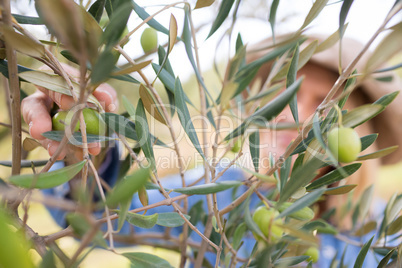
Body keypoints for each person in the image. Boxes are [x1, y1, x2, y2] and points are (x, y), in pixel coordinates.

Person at [21, 35, 402, 267]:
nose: (294, 115)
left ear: (359, 127)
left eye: (323, 103)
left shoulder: (389, 237)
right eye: (285, 95)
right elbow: (105, 219)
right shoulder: (224, 194)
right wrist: (84, 152)